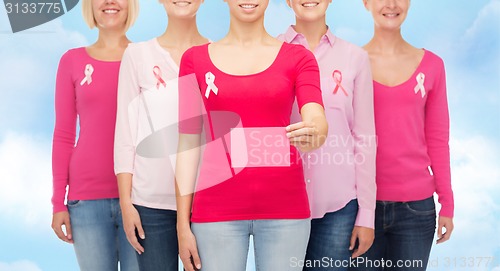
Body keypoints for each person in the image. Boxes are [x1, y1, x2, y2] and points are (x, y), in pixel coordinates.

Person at [175, 0, 328, 270]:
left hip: (286, 210)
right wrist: (181, 226)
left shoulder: (299, 57)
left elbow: (315, 116)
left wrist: (316, 130)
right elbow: (188, 143)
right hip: (215, 212)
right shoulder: (194, 60)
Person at [353, 0, 455, 270]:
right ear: (365, 3)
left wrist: (447, 203)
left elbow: (437, 139)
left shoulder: (432, 66)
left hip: (416, 210)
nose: (390, 4)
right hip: (361, 207)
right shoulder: (351, 63)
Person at [278, 0, 376, 269]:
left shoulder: (355, 58)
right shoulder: (269, 52)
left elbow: (365, 138)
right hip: (280, 205)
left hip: (339, 206)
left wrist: (367, 214)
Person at [114, 0, 208, 270]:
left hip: (204, 201)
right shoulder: (137, 55)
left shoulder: (216, 54)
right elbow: (125, 132)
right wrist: (126, 203)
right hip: (149, 203)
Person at [51, 0, 139, 270]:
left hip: (140, 198)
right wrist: (58, 202)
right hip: (86, 202)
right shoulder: (72, 61)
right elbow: (64, 135)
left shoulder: (147, 57)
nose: (110, 2)